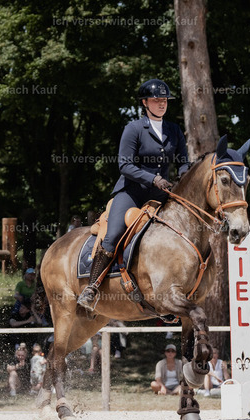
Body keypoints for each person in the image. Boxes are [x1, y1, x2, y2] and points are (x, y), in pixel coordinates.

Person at [78, 79, 190, 310]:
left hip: (162, 195)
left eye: (164, 100)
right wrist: (153, 179)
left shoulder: (174, 130)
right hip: (132, 192)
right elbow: (125, 165)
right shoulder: (134, 128)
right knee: (113, 234)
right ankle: (92, 287)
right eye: (156, 100)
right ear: (145, 103)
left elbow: (183, 162)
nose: (162, 104)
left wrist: (184, 178)